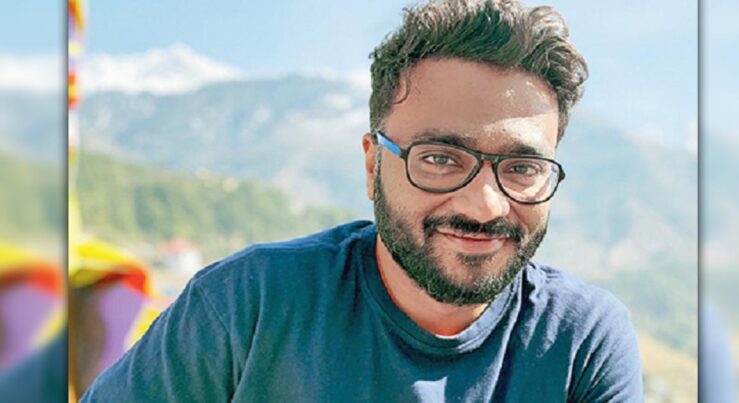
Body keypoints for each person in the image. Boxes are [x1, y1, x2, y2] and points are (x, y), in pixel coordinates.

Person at [82, 0, 643, 401]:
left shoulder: (580, 341)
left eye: (522, 168)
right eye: (440, 158)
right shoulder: (246, 305)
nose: (484, 206)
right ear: (374, 165)